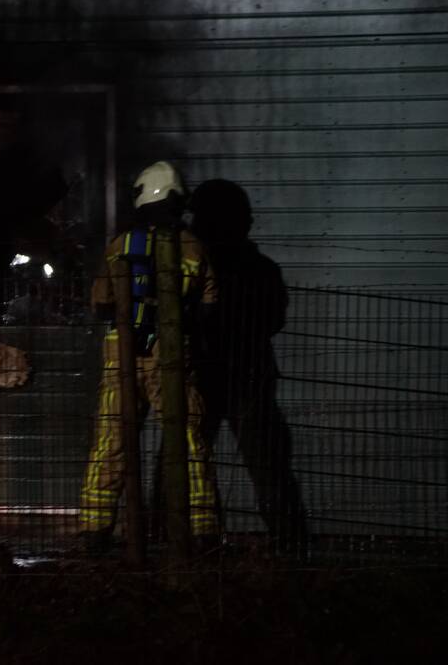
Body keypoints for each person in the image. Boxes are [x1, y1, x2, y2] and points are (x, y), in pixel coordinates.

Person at [78, 161, 219, 553]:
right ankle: (201, 531)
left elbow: (100, 302)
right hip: (172, 359)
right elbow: (210, 305)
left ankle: (95, 533)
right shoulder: (193, 246)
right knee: (189, 443)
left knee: (111, 443)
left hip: (119, 361)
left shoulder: (121, 245)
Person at [189, 179, 308, 557]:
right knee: (268, 465)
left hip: (205, 373)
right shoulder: (261, 269)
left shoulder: (191, 268)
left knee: (186, 459)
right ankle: (291, 544)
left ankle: (178, 540)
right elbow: (274, 320)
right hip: (249, 375)